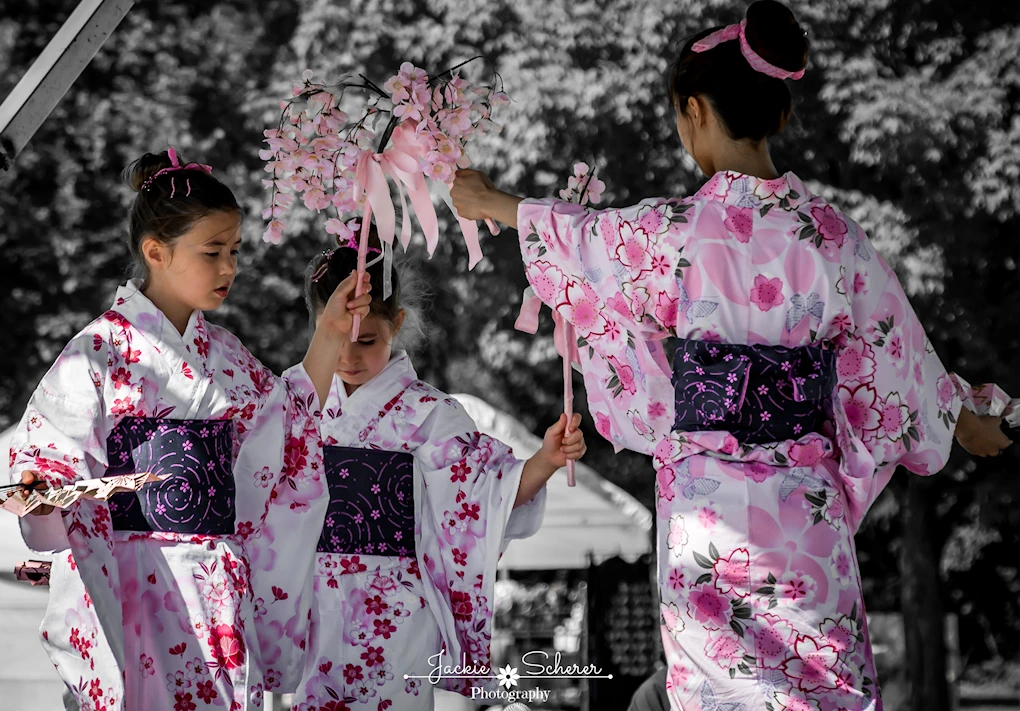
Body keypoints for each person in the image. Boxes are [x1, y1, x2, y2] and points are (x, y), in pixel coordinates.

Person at [450, 1, 1013, 708]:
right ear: (778, 114)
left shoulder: (674, 233)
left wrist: (488, 200)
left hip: (707, 524)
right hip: (804, 520)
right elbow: (894, 349)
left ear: (694, 112)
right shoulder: (831, 236)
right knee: (822, 686)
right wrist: (963, 413)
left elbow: (584, 243)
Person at [8, 149, 372, 711]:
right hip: (136, 578)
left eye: (234, 251)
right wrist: (41, 489)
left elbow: (281, 435)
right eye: (212, 252)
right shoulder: (100, 351)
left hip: (216, 585)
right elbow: (54, 453)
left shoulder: (226, 355)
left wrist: (327, 336)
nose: (230, 268)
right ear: (156, 252)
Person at [278, 232, 584, 710]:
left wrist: (544, 461)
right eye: (337, 337)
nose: (349, 356)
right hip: (315, 597)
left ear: (396, 324)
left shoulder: (430, 414)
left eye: (368, 340)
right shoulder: (298, 408)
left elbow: (484, 495)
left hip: (395, 608)